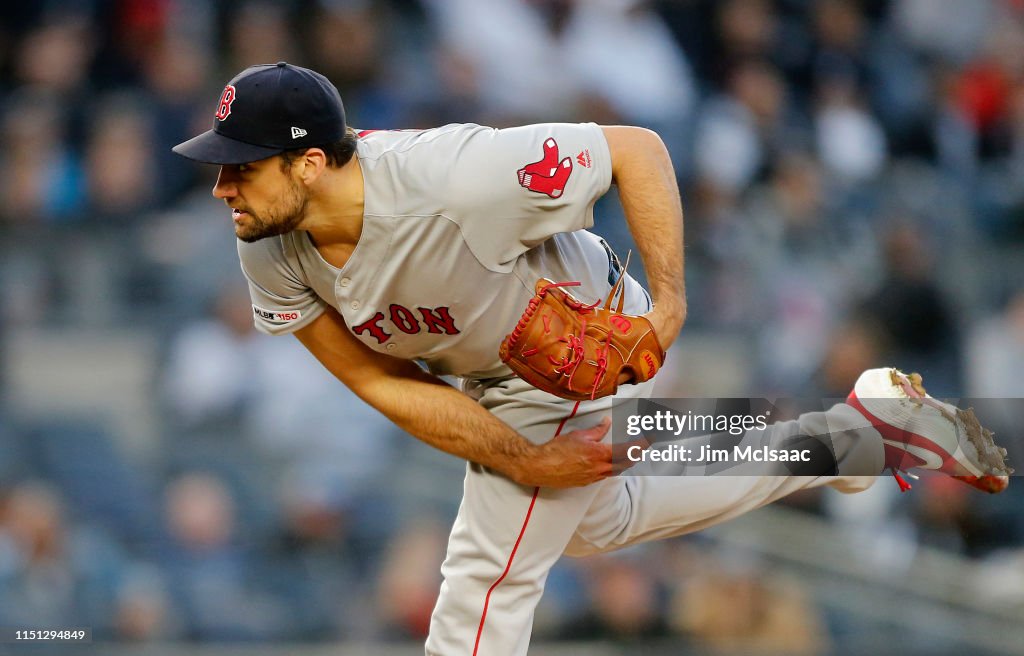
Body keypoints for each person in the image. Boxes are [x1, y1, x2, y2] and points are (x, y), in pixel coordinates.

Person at [173, 62, 1010, 655]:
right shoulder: (270, 241)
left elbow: (634, 149)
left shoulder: (459, 178)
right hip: (488, 370)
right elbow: (375, 378)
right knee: (593, 520)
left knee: (485, 572)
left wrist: (673, 302)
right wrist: (527, 453)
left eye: (240, 169)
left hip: (570, 331)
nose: (223, 189)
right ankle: (855, 436)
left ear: (310, 163)